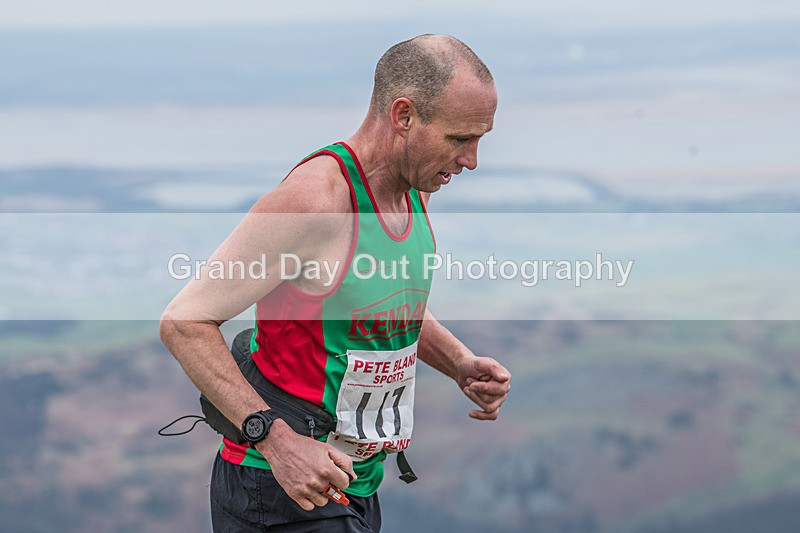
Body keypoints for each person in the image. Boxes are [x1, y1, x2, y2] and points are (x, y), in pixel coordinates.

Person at [160, 34, 511, 532]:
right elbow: (184, 321)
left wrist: (459, 363)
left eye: (481, 139)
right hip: (279, 489)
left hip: (354, 485)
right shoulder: (315, 203)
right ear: (404, 115)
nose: (472, 160)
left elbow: (380, 301)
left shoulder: (414, 190)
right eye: (459, 139)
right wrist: (275, 440)